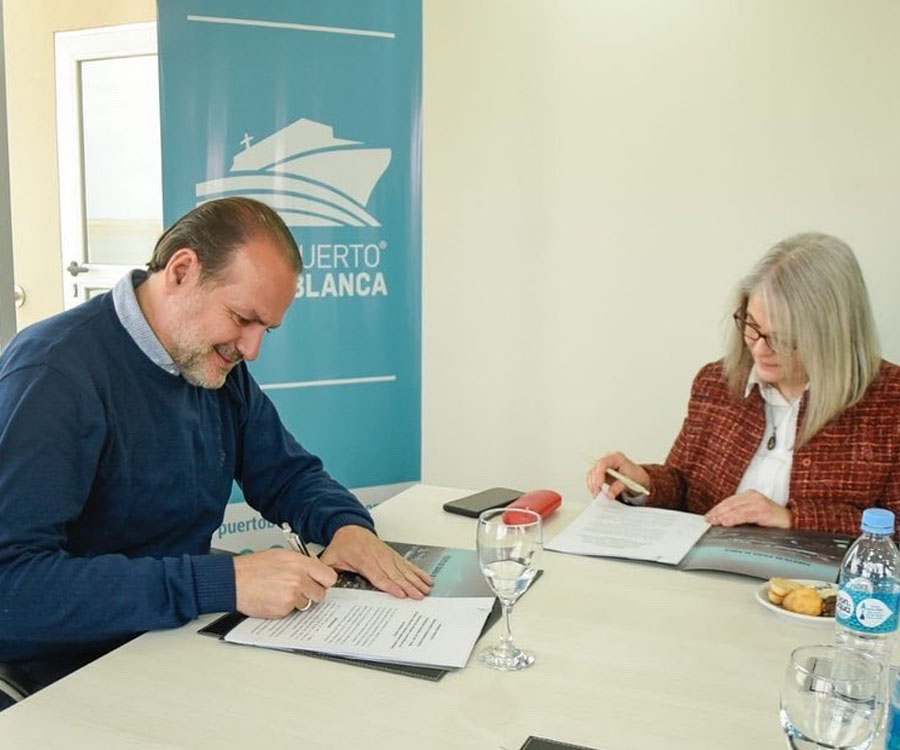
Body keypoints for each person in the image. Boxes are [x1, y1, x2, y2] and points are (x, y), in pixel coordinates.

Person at [0, 197, 431, 705]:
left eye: (264, 329)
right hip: (73, 672)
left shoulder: (211, 364)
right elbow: (12, 587)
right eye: (242, 318)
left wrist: (347, 527)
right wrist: (221, 582)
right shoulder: (54, 374)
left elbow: (288, 474)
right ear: (182, 271)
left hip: (173, 638)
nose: (251, 350)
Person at [586, 232, 900, 535]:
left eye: (784, 338)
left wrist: (791, 519)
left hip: (822, 589)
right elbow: (685, 487)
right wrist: (643, 483)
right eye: (752, 326)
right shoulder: (716, 383)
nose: (760, 348)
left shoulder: (890, 401)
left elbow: (895, 528)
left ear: (834, 334)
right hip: (708, 579)